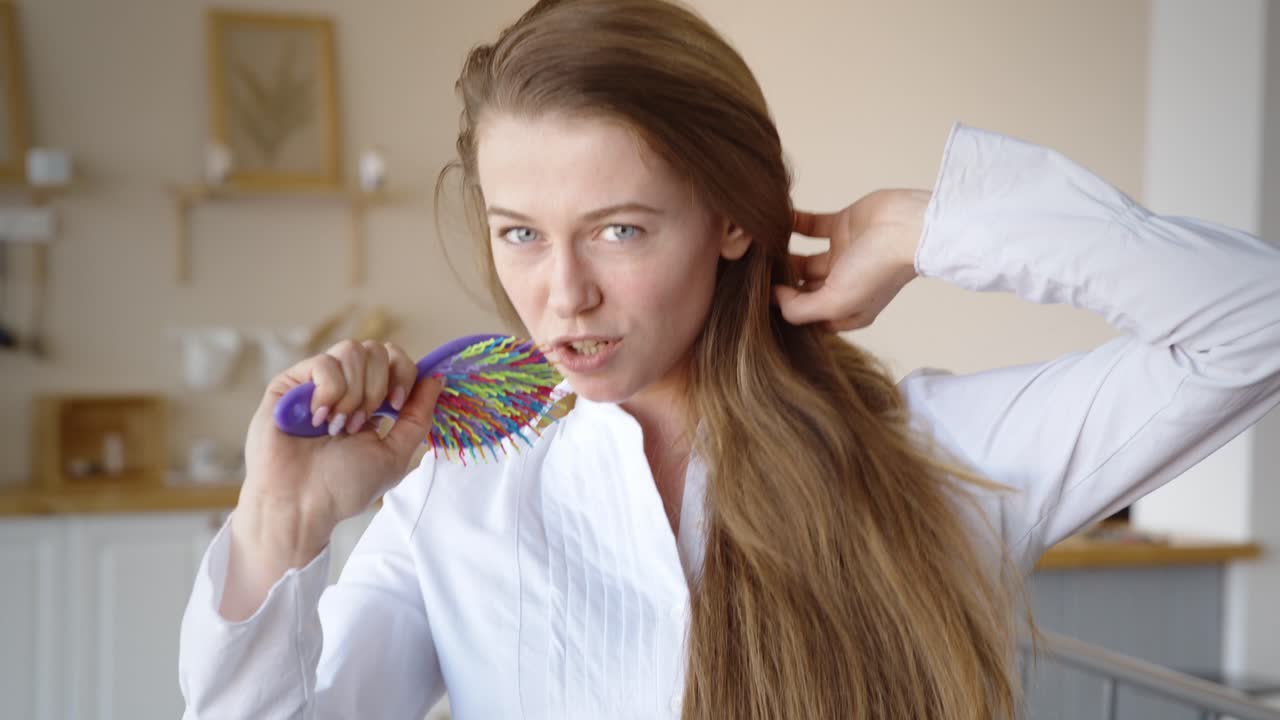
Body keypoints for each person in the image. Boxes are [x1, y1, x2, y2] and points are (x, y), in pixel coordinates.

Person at [177, 1, 1280, 718]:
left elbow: (1253, 319)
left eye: (619, 229)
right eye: (520, 232)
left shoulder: (934, 462)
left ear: (732, 220)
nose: (561, 295)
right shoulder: (453, 500)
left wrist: (924, 228)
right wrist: (284, 526)